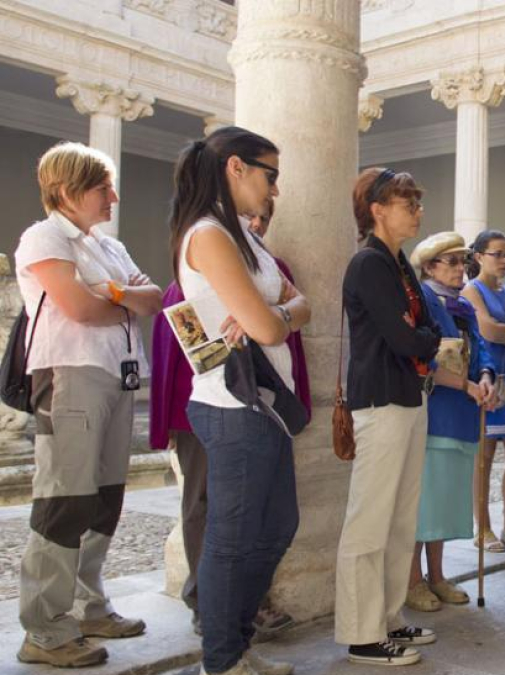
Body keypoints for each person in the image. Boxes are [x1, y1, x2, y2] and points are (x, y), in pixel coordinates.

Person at [14, 142, 162, 668]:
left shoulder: (109, 248)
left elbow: (155, 298)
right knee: (64, 499)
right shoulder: (44, 236)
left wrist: (112, 291)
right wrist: (122, 296)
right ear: (67, 190)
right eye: (103, 188)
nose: (114, 197)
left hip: (118, 378)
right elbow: (76, 308)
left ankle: (87, 605)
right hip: (71, 375)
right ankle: (46, 629)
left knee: (104, 498)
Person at [168, 127, 310, 675]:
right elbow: (271, 326)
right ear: (235, 168)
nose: (274, 189)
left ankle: (237, 646)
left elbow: (299, 307)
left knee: (277, 529)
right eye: (269, 175)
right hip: (232, 407)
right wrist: (276, 315)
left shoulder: (242, 236)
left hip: (263, 405)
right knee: (232, 540)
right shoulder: (207, 234)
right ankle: (223, 661)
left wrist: (277, 313)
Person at [336, 167, 439, 666]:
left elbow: (429, 326)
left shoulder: (400, 265)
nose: (417, 211)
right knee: (369, 520)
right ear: (378, 209)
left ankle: (389, 618)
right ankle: (361, 633)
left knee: (401, 518)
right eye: (408, 203)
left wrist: (422, 335)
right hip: (380, 399)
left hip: (409, 395)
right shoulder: (369, 264)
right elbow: (407, 339)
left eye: (417, 203)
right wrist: (422, 337)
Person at [407, 232, 498, 612]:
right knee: (422, 503)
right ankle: (413, 581)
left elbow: (482, 348)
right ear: (429, 267)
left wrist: (488, 375)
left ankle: (438, 576)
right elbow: (424, 356)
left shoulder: (461, 305)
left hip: (463, 412)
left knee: (443, 503)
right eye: (453, 262)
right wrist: (465, 383)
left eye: (464, 262)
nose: (462, 269)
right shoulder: (424, 300)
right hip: (436, 411)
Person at [462, 230, 505, 554]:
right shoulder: (474, 289)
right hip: (489, 376)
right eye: (497, 253)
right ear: (480, 256)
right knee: (485, 456)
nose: (504, 260)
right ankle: (481, 526)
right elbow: (488, 330)